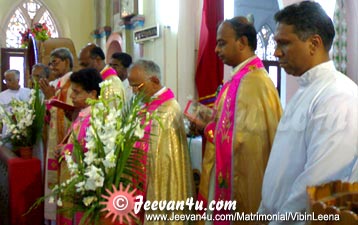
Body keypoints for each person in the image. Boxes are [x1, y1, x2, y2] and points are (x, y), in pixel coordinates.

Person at [258, 2, 358, 225]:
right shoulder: (306, 91)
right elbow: (282, 166)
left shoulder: (338, 96)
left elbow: (319, 182)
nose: (275, 52)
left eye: (284, 43)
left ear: (314, 43)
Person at [193, 16, 282, 225]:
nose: (216, 50)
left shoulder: (254, 83)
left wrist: (207, 129)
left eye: (222, 43)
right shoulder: (237, 78)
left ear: (242, 42)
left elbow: (245, 141)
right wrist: (209, 122)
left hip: (241, 182)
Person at [128, 59, 195, 224]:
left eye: (138, 86)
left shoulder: (169, 109)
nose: (135, 92)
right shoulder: (144, 106)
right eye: (132, 87)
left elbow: (168, 159)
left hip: (158, 181)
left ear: (155, 81)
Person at [56, 68, 102, 225]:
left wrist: (66, 150)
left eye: (76, 92)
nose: (72, 97)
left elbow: (90, 150)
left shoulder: (96, 116)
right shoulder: (84, 113)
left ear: (93, 94)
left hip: (83, 184)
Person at [40, 47, 74, 224]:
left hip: (65, 139)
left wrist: (52, 99)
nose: (52, 66)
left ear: (67, 62)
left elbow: (72, 114)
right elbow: (49, 114)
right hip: (53, 138)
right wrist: (48, 103)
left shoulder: (72, 84)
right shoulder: (57, 83)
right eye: (50, 62)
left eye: (56, 62)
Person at [0, 69, 32, 136]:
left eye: (10, 80)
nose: (7, 83)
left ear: (18, 80)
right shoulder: (2, 96)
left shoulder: (28, 92)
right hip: (8, 131)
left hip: (26, 129)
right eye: (5, 80)